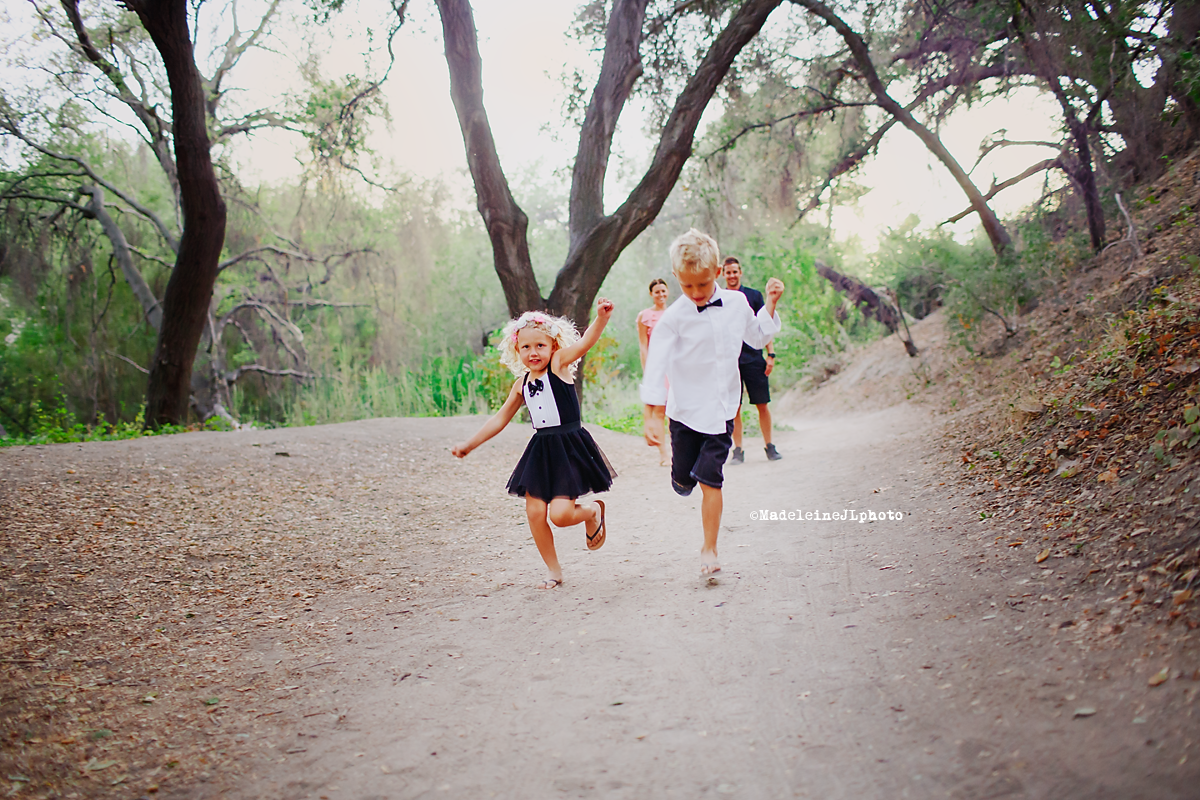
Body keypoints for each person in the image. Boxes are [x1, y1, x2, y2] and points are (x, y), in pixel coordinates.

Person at [640, 229, 784, 576]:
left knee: (711, 479)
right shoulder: (673, 318)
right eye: (687, 286)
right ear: (676, 278)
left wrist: (771, 303)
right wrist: (652, 415)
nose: (696, 293)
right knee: (684, 481)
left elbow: (757, 335)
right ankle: (680, 477)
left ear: (718, 272)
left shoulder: (737, 303)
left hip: (721, 411)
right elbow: (656, 364)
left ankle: (710, 548)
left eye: (702, 285)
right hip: (685, 413)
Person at [452, 299, 616, 590]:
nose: (533, 352)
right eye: (525, 347)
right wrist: (469, 444)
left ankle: (592, 512)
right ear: (517, 350)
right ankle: (554, 571)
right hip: (541, 452)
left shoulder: (558, 364)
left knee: (561, 515)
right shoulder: (522, 383)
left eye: (539, 345)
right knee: (535, 513)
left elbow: (585, 344)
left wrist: (601, 319)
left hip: (569, 448)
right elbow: (499, 419)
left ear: (553, 346)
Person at [722, 256, 781, 463]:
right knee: (734, 407)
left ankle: (770, 446)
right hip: (731, 361)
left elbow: (763, 326)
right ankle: (738, 451)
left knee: (762, 404)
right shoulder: (719, 299)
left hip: (754, 358)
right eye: (728, 272)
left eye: (735, 271)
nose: (732, 275)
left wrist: (770, 355)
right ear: (723, 274)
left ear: (740, 272)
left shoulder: (753, 296)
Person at [637, 278, 671, 466]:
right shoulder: (645, 316)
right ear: (651, 294)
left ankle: (678, 451)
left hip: (675, 367)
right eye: (657, 291)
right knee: (659, 410)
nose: (661, 295)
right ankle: (663, 454)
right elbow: (643, 345)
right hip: (657, 367)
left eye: (663, 291)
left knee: (676, 411)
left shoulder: (674, 313)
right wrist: (648, 369)